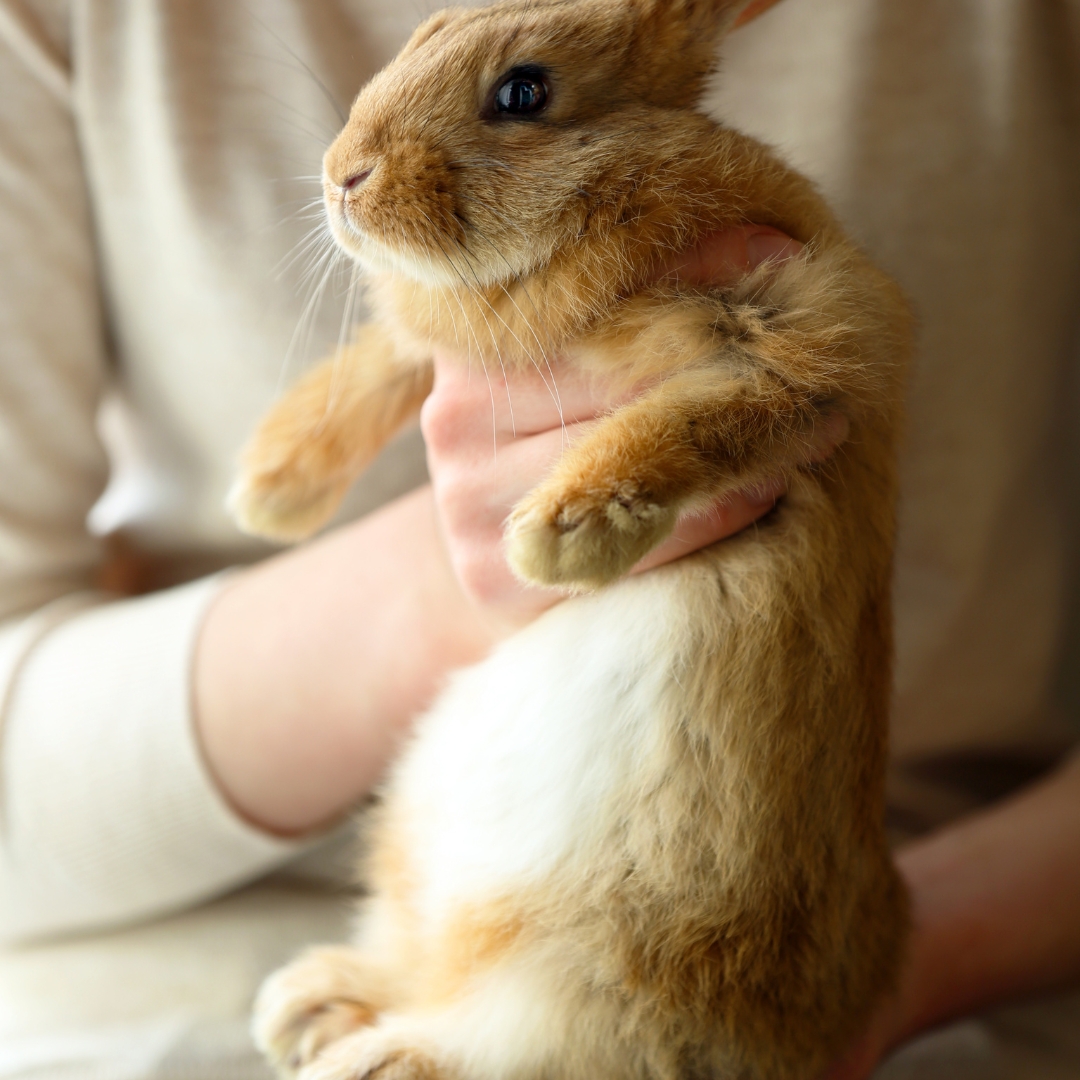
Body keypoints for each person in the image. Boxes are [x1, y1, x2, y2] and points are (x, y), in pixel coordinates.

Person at [0, 0, 1077, 1077]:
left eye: (519, 102)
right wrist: (436, 584)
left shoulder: (723, 202)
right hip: (175, 950)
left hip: (897, 932)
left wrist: (875, 966)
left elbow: (825, 354)